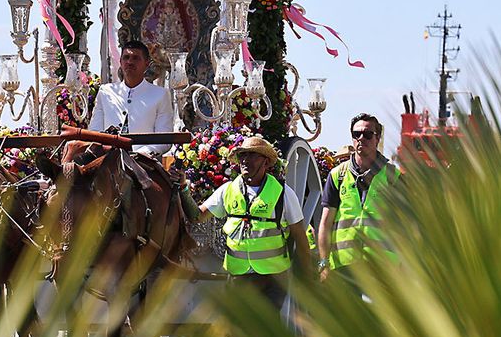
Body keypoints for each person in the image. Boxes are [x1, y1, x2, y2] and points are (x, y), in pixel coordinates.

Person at [197, 135, 313, 315]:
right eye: (242, 156)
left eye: (252, 155)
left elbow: (299, 235)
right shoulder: (227, 190)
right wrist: (182, 187)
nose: (245, 160)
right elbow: (197, 216)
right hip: (238, 276)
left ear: (266, 163)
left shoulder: (283, 193)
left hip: (272, 278)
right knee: (236, 333)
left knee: (263, 333)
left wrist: (307, 275)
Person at [317, 112, 400, 285]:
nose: (361, 138)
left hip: (383, 267)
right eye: (356, 134)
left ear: (377, 139)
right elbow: (325, 223)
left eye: (368, 134)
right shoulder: (337, 175)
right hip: (345, 266)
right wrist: (323, 262)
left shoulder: (393, 176)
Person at [89, 39, 175, 153]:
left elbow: (164, 139)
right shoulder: (105, 92)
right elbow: (94, 132)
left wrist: (139, 155)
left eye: (136, 58)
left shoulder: (161, 94)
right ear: (120, 61)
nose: (130, 62)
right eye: (126, 58)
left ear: (147, 63)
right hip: (107, 160)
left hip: (144, 162)